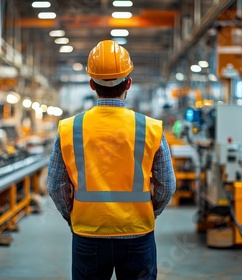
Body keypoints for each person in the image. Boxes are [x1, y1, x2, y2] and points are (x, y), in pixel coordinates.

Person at [47, 40, 176, 280]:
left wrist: (74, 216)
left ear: (91, 84)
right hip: (138, 233)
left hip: (88, 234)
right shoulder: (150, 128)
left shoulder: (69, 128)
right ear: (128, 83)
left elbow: (56, 186)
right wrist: (147, 211)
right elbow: (167, 186)